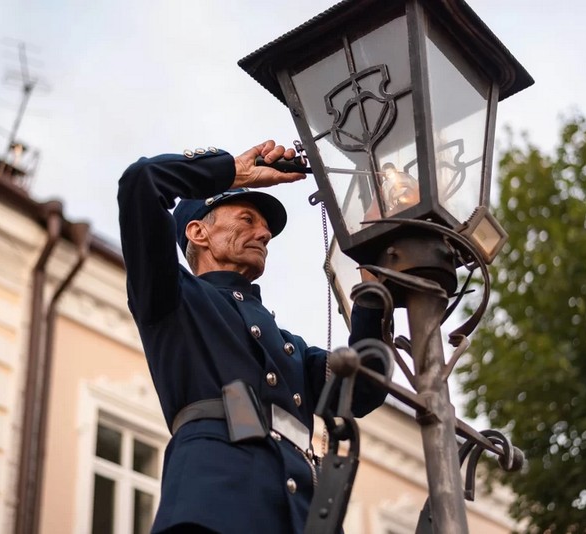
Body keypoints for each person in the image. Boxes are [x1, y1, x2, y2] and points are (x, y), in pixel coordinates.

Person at [118, 140, 387, 534]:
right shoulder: (174, 298)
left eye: (265, 229)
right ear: (197, 233)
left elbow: (364, 387)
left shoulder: (288, 346)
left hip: (296, 518)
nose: (263, 233)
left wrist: (373, 291)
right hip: (215, 509)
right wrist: (232, 171)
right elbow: (143, 181)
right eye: (247, 219)